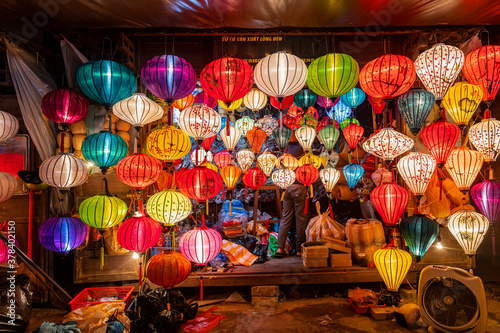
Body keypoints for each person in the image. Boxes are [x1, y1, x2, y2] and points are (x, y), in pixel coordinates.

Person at [276, 140, 309, 258]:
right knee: (301, 220)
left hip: (287, 188)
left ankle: (280, 248)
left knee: (285, 218)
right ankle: (299, 250)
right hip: (300, 188)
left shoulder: (286, 149)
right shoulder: (303, 148)